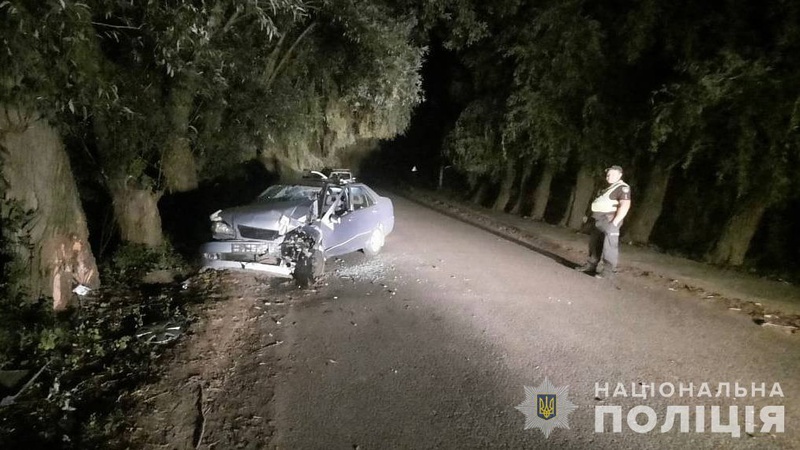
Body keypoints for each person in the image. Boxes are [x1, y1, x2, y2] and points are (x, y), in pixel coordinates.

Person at [575, 165, 631, 279]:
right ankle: (591, 266)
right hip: (599, 219)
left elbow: (625, 205)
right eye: (608, 174)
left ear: (620, 175)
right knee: (594, 243)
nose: (609, 176)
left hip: (610, 220)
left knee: (609, 246)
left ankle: (608, 272)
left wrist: (615, 222)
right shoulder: (609, 187)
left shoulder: (622, 188)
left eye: (613, 174)